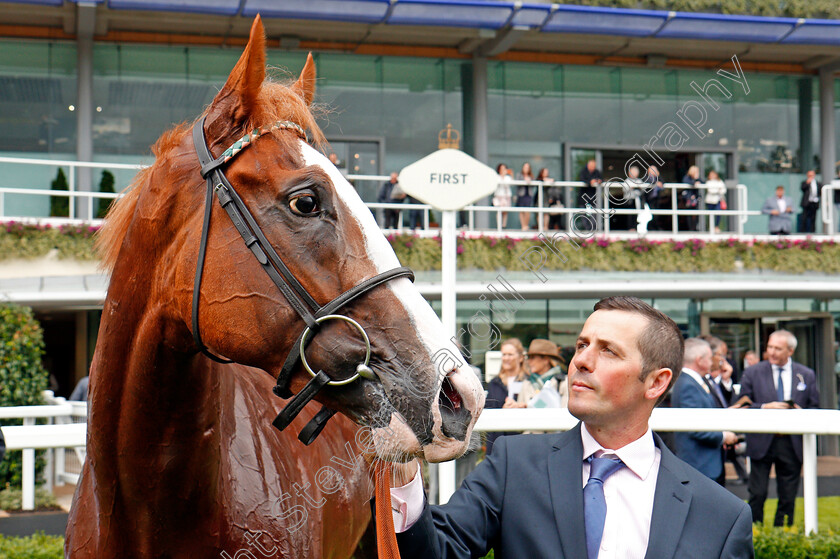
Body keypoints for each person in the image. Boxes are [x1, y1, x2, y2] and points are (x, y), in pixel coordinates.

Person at [387, 296, 753, 558]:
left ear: (656, 383)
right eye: (582, 344)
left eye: (608, 350)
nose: (581, 360)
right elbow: (437, 550)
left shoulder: (721, 515)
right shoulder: (514, 465)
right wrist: (403, 473)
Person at [740, 330, 820, 527]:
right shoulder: (753, 372)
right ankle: (753, 534)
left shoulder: (806, 374)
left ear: (790, 351)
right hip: (761, 441)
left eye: (778, 348)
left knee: (788, 496)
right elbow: (741, 405)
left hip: (791, 443)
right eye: (769, 347)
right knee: (757, 494)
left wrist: (801, 412)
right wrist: (765, 407)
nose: (772, 352)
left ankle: (782, 534)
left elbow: (815, 407)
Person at [671, 338, 738, 484]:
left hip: (704, 464)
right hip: (699, 465)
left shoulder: (693, 382)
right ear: (699, 360)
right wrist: (723, 436)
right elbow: (695, 428)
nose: (714, 361)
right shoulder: (687, 385)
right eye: (709, 358)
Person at [483, 338, 531, 455]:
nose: (506, 358)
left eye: (510, 354)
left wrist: (522, 406)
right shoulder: (495, 382)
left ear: (520, 358)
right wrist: (502, 411)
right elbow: (488, 410)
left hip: (522, 443)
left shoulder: (529, 381)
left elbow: (540, 405)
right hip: (497, 444)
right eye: (504, 354)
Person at [523, 338, 568, 407]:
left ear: (546, 360)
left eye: (533, 357)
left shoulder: (563, 382)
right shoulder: (526, 383)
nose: (529, 362)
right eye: (528, 358)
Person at [799, 169, 821, 233]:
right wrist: (807, 183)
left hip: (814, 202)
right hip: (807, 203)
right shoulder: (804, 182)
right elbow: (802, 189)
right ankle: (803, 232)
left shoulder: (818, 183)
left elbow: (820, 192)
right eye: (809, 175)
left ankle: (812, 232)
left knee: (813, 218)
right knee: (804, 218)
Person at [680, 165, 701, 232]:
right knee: (689, 214)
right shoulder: (687, 177)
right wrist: (694, 182)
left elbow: (703, 182)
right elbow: (685, 181)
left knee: (696, 214)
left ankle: (695, 227)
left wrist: (697, 179)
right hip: (688, 199)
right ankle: (690, 229)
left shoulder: (697, 178)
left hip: (695, 199)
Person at [493, 163, 512, 229]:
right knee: (499, 211)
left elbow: (508, 185)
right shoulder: (496, 177)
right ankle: (499, 225)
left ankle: (504, 225)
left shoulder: (508, 177)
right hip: (499, 195)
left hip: (506, 196)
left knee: (505, 211)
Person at [516, 162, 534, 231]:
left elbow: (534, 184)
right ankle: (523, 226)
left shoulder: (531, 176)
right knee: (521, 211)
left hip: (528, 195)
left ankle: (526, 225)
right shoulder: (519, 175)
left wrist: (529, 180)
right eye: (525, 167)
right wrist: (524, 180)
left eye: (527, 167)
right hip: (521, 195)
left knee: (527, 210)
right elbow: (517, 183)